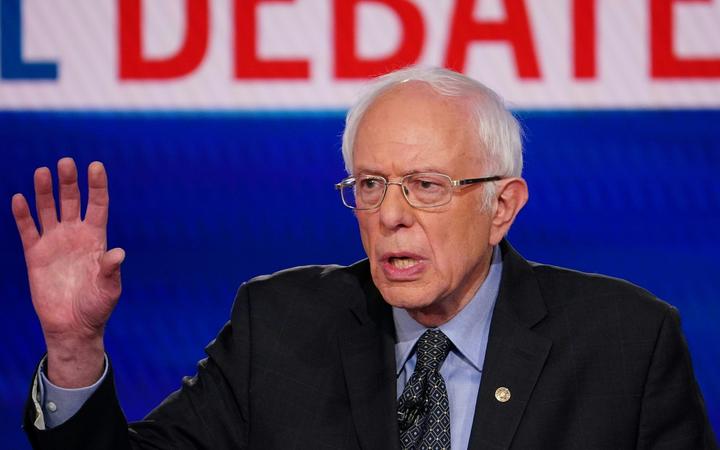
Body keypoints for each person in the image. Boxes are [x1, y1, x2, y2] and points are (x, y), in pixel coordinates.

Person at [15, 67, 716, 449]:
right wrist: (74, 350)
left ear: (501, 207)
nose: (389, 214)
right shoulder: (281, 327)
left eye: (427, 186)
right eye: (371, 184)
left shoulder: (625, 341)